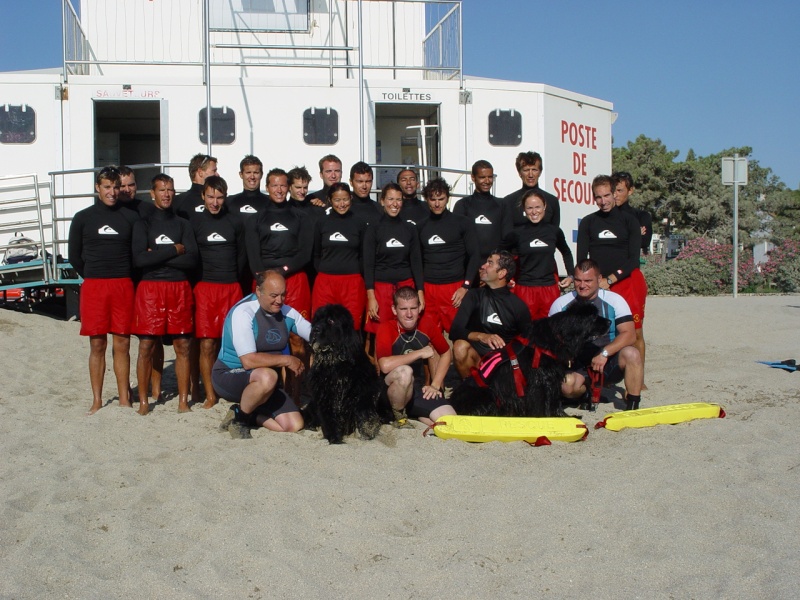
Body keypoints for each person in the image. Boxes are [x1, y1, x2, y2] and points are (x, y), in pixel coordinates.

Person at [68, 166, 139, 415]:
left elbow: (135, 253)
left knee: (122, 342)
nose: (112, 192)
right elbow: (74, 256)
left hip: (122, 284)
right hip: (95, 286)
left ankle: (123, 398)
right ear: (97, 188)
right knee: (97, 344)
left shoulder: (130, 217)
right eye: (107, 187)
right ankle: (97, 400)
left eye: (115, 187)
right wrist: (93, 275)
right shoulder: (83, 217)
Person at [213, 270, 310, 436]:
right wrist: (286, 360)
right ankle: (241, 421)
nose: (279, 301)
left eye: (283, 295)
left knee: (294, 424)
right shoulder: (243, 312)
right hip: (230, 375)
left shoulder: (287, 312)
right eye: (273, 295)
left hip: (266, 385)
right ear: (258, 291)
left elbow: (315, 334)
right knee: (268, 376)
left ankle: (248, 415)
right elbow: (248, 361)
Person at [132, 173, 198, 415]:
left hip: (179, 288)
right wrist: (174, 250)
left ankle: (183, 401)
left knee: (182, 345)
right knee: (146, 345)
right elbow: (140, 259)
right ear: (153, 194)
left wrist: (157, 255)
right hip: (150, 289)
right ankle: (143, 401)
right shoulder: (144, 224)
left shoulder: (183, 224)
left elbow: (192, 260)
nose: (167, 194)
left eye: (170, 189)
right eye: (162, 190)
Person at [576, 175, 646, 385]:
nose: (603, 201)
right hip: (598, 284)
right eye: (598, 197)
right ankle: (596, 376)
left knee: (634, 332)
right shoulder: (589, 222)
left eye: (607, 195)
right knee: (596, 330)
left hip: (626, 281)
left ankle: (636, 379)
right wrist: (590, 281)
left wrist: (612, 278)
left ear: (615, 193)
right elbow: (582, 258)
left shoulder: (629, 221)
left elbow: (634, 259)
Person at [549, 259, 643, 411]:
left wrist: (604, 353)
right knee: (566, 386)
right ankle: (585, 392)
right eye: (578, 280)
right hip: (577, 364)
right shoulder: (561, 304)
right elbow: (552, 339)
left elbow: (630, 335)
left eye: (588, 280)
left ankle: (633, 405)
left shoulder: (615, 300)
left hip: (607, 361)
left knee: (632, 353)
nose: (582, 285)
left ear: (599, 279)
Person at [189, 175, 246, 409]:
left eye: (219, 197)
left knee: (233, 344)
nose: (215, 202)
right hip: (205, 288)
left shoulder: (235, 222)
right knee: (207, 344)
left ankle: (231, 387)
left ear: (225, 197)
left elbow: (242, 257)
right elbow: (192, 259)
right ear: (203, 196)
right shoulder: (194, 222)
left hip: (231, 288)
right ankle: (210, 393)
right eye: (210, 196)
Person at [376, 286, 456, 427]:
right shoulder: (386, 328)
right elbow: (384, 365)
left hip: (415, 389)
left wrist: (435, 384)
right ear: (394, 310)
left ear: (420, 307)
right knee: (405, 372)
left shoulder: (426, 324)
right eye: (403, 309)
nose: (409, 314)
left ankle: (414, 413)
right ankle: (398, 414)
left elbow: (446, 352)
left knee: (450, 420)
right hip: (389, 391)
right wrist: (419, 353)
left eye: (413, 308)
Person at [450, 251, 531, 378]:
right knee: (459, 347)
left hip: (503, 362)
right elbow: (455, 331)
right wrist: (481, 336)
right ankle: (472, 389)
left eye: (490, 263)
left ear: (502, 273)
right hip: (477, 358)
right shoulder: (474, 295)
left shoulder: (518, 306)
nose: (483, 266)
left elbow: (527, 341)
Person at [246, 167, 313, 319]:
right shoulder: (255, 219)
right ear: (267, 188)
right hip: (264, 279)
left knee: (296, 334)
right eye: (275, 185)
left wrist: (282, 270)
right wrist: (264, 278)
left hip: (294, 279)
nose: (279, 190)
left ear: (288, 188)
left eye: (283, 185)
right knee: (263, 331)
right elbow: (253, 255)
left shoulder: (302, 217)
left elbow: (305, 254)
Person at [417, 177, 481, 334]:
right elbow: (416, 261)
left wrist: (466, 286)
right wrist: (420, 290)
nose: (437, 204)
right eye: (433, 199)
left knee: (459, 337)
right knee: (430, 340)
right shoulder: (420, 226)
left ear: (448, 198)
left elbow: (475, 255)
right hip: (429, 290)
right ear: (426, 199)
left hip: (454, 289)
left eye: (441, 199)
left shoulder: (462, 222)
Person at [363, 182, 424, 338]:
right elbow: (368, 264)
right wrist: (371, 297)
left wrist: (420, 292)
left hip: (406, 286)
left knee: (409, 333)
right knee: (382, 335)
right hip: (381, 289)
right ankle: (381, 363)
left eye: (398, 199)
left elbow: (416, 262)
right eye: (390, 199)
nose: (395, 204)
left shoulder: (410, 228)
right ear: (382, 201)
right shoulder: (374, 228)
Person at [502, 189, 574, 319]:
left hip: (549, 289)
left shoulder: (554, 231)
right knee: (525, 332)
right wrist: (506, 276)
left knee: (551, 330)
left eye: (537, 207)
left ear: (544, 206)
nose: (534, 212)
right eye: (529, 208)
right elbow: (501, 253)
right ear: (524, 209)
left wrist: (571, 275)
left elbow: (566, 252)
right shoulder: (517, 233)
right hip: (525, 289)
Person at [612, 171, 652, 382]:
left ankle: (639, 378)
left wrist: (635, 233)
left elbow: (643, 243)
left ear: (630, 190)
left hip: (631, 279)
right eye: (613, 190)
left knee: (636, 331)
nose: (615, 195)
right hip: (608, 278)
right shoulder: (603, 217)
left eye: (620, 190)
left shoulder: (641, 216)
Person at [311, 182, 368, 328]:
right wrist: (326, 270)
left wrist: (354, 271)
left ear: (351, 198)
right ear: (330, 200)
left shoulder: (359, 223)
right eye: (337, 200)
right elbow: (316, 253)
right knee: (322, 326)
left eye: (345, 199)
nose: (341, 204)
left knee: (351, 328)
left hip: (352, 283)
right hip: (325, 282)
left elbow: (364, 255)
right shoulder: (322, 222)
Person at [453, 160, 510, 262]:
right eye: (482, 177)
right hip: (470, 264)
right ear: (473, 177)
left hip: (495, 266)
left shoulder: (502, 205)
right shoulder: (462, 205)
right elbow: (457, 238)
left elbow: (507, 237)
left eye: (490, 177)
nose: (487, 181)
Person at [503, 151, 560, 228]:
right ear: (519, 173)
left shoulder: (552, 201)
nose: (530, 175)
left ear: (540, 172)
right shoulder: (508, 202)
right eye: (526, 170)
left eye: (534, 170)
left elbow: (555, 233)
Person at [174, 153, 218, 220]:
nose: (217, 175)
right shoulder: (179, 202)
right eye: (214, 171)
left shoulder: (219, 200)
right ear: (200, 172)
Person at [348, 161, 381, 226]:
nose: (364, 186)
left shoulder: (379, 209)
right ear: (351, 182)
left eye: (368, 181)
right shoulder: (344, 208)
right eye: (360, 182)